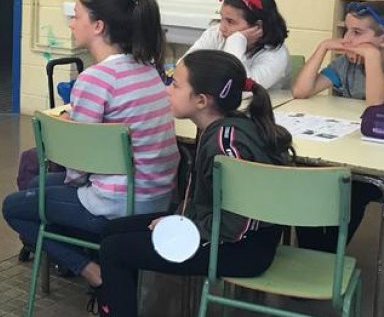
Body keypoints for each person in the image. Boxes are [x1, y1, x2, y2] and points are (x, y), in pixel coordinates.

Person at [2, 0, 179, 289]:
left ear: (98, 26)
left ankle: (92, 272)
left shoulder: (95, 79)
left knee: (14, 207)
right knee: (35, 185)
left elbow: (76, 169)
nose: (71, 23)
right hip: (158, 200)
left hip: (116, 205)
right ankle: (100, 258)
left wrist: (66, 131)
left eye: (77, 15)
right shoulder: (148, 68)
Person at [92, 50, 294, 317]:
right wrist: (179, 218)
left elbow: (237, 225)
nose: (167, 90)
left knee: (115, 250)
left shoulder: (227, 145)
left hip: (243, 248)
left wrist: (183, 225)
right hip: (219, 228)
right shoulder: (219, 127)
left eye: (175, 85)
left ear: (201, 100)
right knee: (112, 231)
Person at [291, 0, 384, 251]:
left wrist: (372, 57)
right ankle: (313, 253)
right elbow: (301, 91)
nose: (347, 39)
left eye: (357, 33)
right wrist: (323, 47)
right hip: (346, 149)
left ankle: (325, 256)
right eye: (346, 30)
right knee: (305, 177)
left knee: (350, 190)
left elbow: (379, 108)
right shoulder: (346, 64)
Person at [182, 0, 291, 90]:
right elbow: (184, 68)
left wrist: (237, 40)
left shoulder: (276, 54)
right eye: (221, 18)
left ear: (257, 26)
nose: (221, 27)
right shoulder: (216, 33)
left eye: (230, 21)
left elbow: (241, 88)